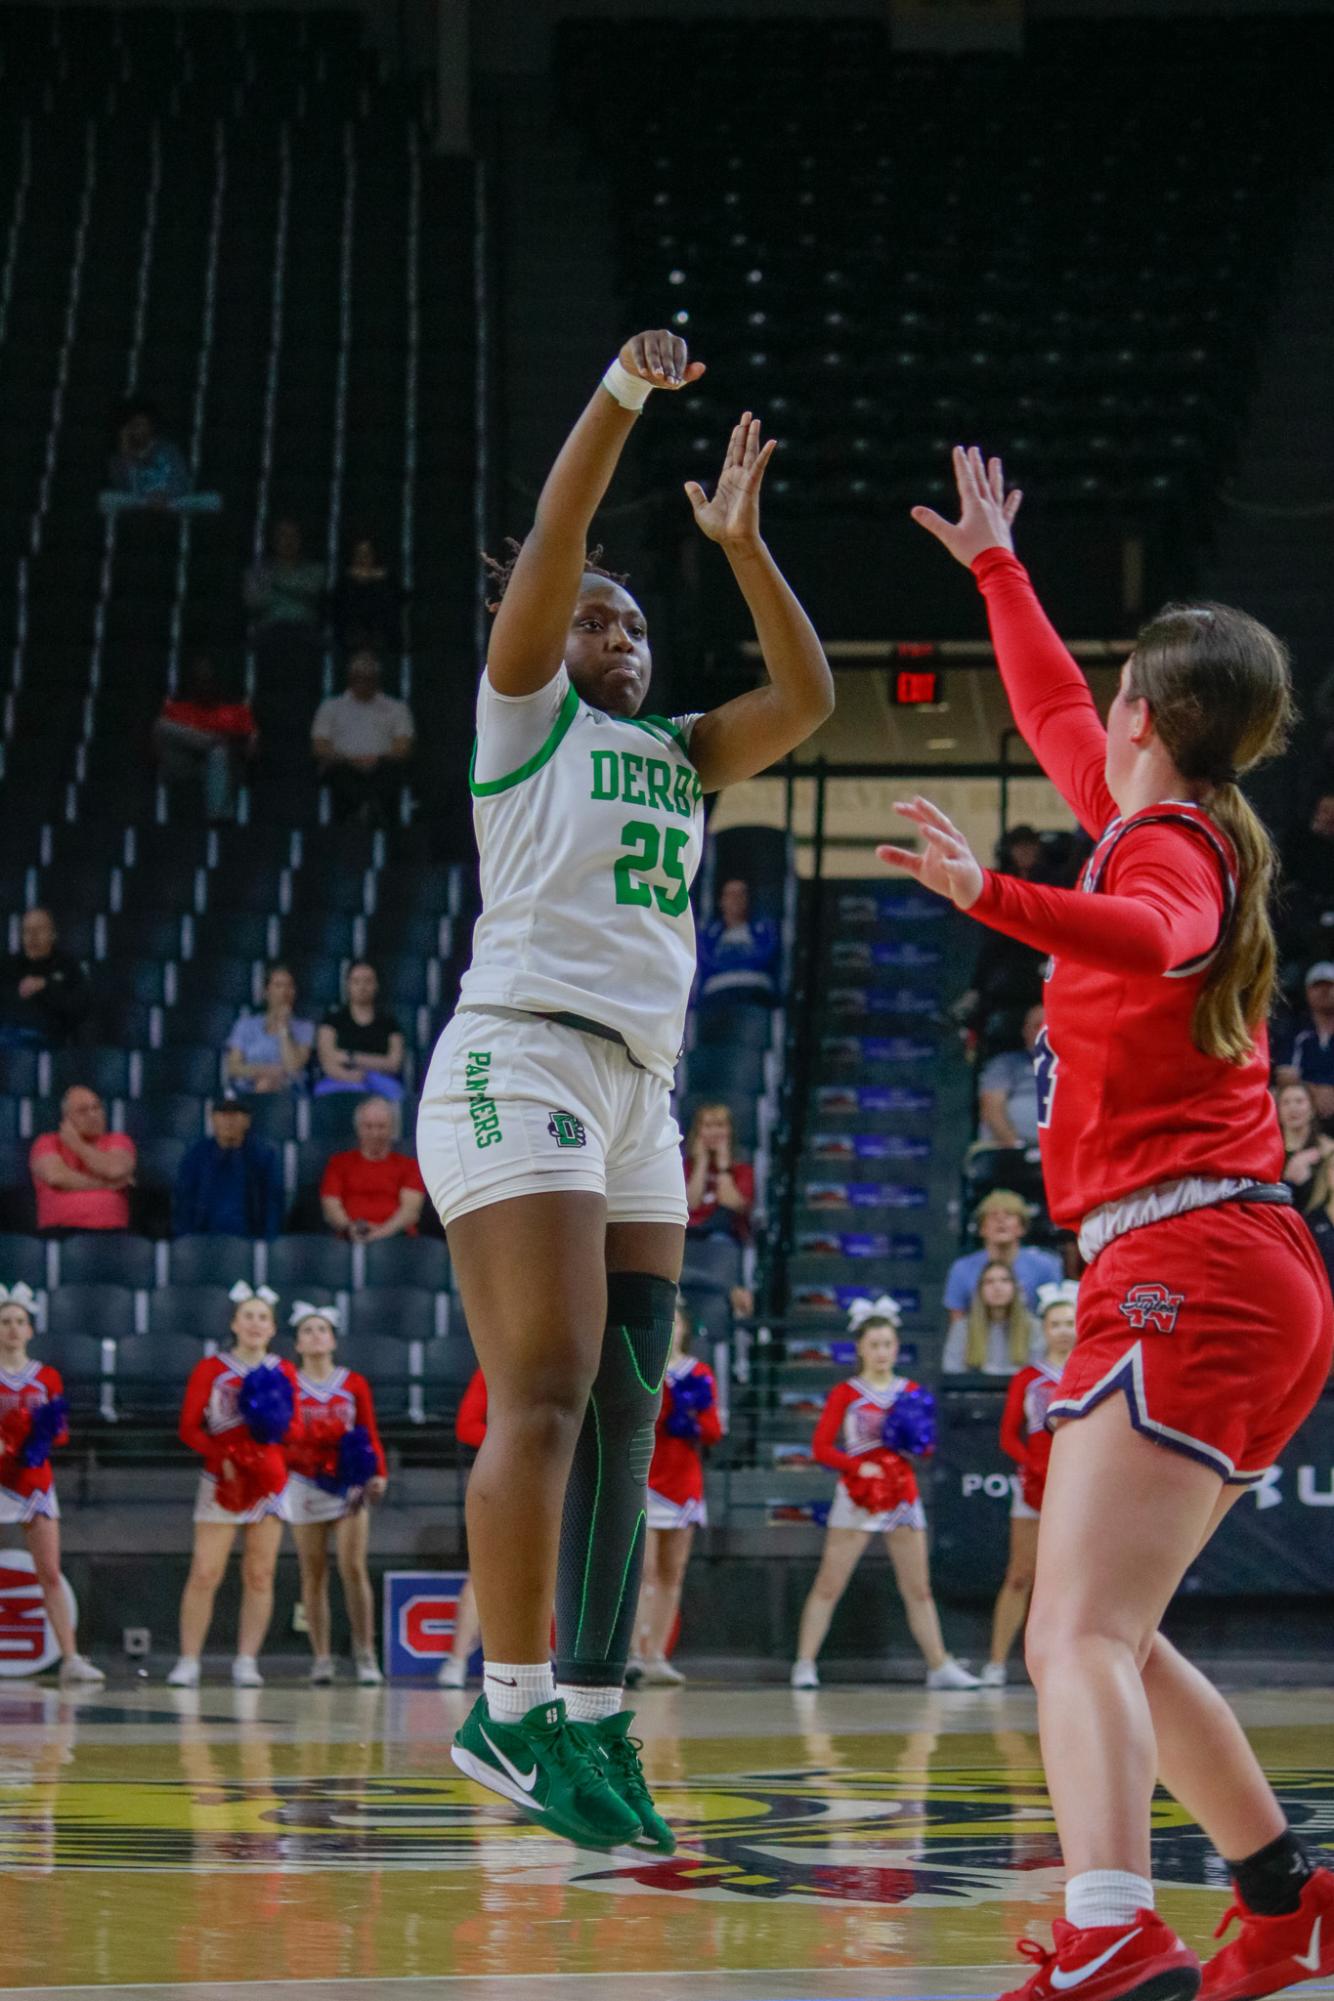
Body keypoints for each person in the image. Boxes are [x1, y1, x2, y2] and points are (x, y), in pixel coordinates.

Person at [878, 444, 1334, 2001]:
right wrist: (998, 570)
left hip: (1189, 1257)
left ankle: (1110, 1927)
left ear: (1155, 710)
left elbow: (1151, 938)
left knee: (1065, 1631)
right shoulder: (1149, 810)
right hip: (1220, 1259)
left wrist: (988, 899)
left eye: (1114, 689)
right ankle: (1278, 1901)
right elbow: (1052, 716)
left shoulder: (1176, 852)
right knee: (1113, 1635)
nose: (1095, 709)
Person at [415, 327, 832, 1851]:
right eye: (598, 619)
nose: (618, 635)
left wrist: (739, 547)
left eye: (634, 623)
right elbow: (556, 539)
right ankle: (505, 1701)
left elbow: (807, 696)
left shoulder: (678, 748)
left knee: (624, 1414)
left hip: (636, 1091)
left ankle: (593, 1714)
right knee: (541, 1387)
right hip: (517, 1053)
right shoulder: (524, 719)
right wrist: (619, 396)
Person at [790, 1299, 978, 1692]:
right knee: (829, 1582)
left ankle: (939, 1665)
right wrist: (859, 1467)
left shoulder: (910, 1391)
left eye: (887, 1344)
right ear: (860, 1347)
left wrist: (917, 1440)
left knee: (919, 1588)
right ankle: (804, 1663)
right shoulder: (846, 1393)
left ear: (897, 1347)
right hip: (858, 1494)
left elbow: (925, 1448)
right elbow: (822, 1448)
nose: (881, 1352)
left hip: (901, 1495)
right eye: (873, 1344)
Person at [168, 1282, 299, 1689]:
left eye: (263, 1318)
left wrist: (270, 1449)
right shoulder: (211, 1369)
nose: (255, 1324)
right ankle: (189, 1660)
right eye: (248, 1316)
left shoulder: (284, 1370)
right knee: (206, 1571)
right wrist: (222, 1456)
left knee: (259, 1574)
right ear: (234, 1324)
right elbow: (189, 1428)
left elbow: (294, 1428)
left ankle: (246, 1660)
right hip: (222, 1478)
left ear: (273, 1327)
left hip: (268, 1481)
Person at [0, 1282, 104, 1685]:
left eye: (19, 1322)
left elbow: (59, 1434)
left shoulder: (46, 1377)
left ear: (30, 1330)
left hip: (33, 1481)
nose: (12, 1329)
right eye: (5, 1322)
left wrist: (34, 1436)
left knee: (50, 1570)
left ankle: (71, 1657)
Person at [981, 1280, 1080, 1688]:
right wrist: (1032, 1464)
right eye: (1055, 1323)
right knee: (1020, 1574)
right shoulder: (1027, 1378)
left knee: (1075, 1582)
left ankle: (1069, 1668)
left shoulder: (1092, 1371)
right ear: (1043, 1329)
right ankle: (997, 1663)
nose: (1062, 1330)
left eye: (1069, 1322)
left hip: (1081, 1488)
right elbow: (1008, 1435)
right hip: (1036, 1487)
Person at [284, 1303, 387, 1687]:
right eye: (307, 1330)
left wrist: (378, 1472)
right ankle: (322, 1657)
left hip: (348, 1484)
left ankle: (365, 1653)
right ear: (297, 1342)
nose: (315, 1335)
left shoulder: (352, 1382)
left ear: (333, 1339)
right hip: (305, 1483)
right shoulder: (288, 1382)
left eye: (321, 1329)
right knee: (313, 1574)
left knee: (354, 1567)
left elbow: (368, 1429)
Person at [627, 1293, 722, 1688]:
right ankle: (631, 1654)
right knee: (640, 1572)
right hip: (644, 1479)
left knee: (671, 1573)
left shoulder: (699, 1373)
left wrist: (691, 1420)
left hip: (683, 1483)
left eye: (677, 1323)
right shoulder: (638, 1367)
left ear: (684, 1328)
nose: (671, 1330)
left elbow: (714, 1431)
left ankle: (657, 1656)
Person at [310, 651, 414, 826]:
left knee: (391, 773)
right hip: (343, 765)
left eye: (369, 678)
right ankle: (366, 811)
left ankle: (366, 812)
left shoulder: (397, 708)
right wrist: (350, 759)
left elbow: (403, 747)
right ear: (350, 678)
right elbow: (319, 747)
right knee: (339, 775)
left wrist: (376, 758)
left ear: (377, 679)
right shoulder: (331, 707)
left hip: (381, 765)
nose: (364, 683)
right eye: (359, 678)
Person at [154, 654, 257, 823]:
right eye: (199, 681)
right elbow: (158, 749)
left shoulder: (237, 711)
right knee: (162, 725)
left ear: (216, 683)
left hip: (224, 764)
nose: (204, 686)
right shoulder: (176, 710)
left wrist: (229, 744)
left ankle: (218, 819)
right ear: (192, 684)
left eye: (208, 680)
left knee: (218, 752)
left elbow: (252, 750)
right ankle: (211, 740)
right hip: (183, 764)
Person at [942, 1189, 1062, 1334]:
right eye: (993, 1216)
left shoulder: (1045, 1266)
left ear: (1022, 1228)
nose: (1001, 1221)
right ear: (981, 1228)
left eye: (1009, 1215)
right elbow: (957, 1325)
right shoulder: (961, 1269)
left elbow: (1058, 1316)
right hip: (979, 1349)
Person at [172, 1094, 285, 1240]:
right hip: (202, 1241)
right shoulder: (196, 1155)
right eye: (223, 1114)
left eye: (236, 1114)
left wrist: (265, 1246)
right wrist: (187, 1242)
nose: (229, 1120)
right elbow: (183, 1203)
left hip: (249, 1241)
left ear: (247, 1121)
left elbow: (273, 1205)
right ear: (212, 1118)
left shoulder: (264, 1156)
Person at [30, 1087, 137, 1234]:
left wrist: (78, 1145)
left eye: (97, 1107)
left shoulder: (119, 1140)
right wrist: (106, 1184)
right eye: (83, 1111)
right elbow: (57, 1177)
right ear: (66, 1119)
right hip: (60, 1231)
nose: (93, 1115)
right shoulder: (46, 1142)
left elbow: (114, 1169)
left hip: (112, 1233)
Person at [438, 1367, 487, 1689]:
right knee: (483, 1572)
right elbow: (466, 1426)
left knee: (554, 1574)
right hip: (499, 1475)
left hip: (558, 1477)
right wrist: (520, 1446)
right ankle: (456, 1659)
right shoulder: (493, 1368)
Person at [319, 1097, 424, 1241]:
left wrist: (379, 1235)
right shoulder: (338, 1163)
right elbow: (331, 1206)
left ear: (392, 1130)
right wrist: (350, 1228)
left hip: (398, 1241)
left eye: (381, 1127)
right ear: (358, 1129)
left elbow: (410, 1211)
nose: (375, 1133)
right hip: (349, 1239)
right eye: (368, 1126)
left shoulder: (409, 1166)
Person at [0, 908, 91, 1050]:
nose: (32, 936)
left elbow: (77, 1008)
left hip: (50, 1042)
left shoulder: (68, 966)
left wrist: (45, 985)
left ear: (53, 934)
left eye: (39, 929)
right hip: (9, 1040)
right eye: (27, 931)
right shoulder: (8, 965)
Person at [314, 962, 406, 1100]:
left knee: (398, 1095)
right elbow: (327, 1059)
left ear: (376, 985)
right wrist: (350, 1077)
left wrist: (351, 1057)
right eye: (356, 981)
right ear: (348, 985)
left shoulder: (389, 1023)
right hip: (338, 1078)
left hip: (380, 1081)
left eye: (368, 981)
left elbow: (394, 1063)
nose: (362, 987)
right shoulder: (332, 1019)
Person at [243, 517, 326, 671]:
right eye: (283, 536)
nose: (288, 541)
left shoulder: (315, 569)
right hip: (270, 630)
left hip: (303, 630)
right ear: (274, 540)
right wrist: (295, 590)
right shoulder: (258, 571)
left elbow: (313, 592)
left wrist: (274, 586)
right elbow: (254, 602)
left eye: (293, 536)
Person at [224, 964, 315, 1095]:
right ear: (266, 992)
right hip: (248, 1085)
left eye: (289, 986)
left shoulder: (305, 1028)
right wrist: (265, 1071)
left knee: (267, 1085)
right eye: (278, 985)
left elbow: (293, 1067)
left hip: (288, 1090)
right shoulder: (245, 1025)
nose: (284, 991)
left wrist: (284, 1028)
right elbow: (233, 1067)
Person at [942, 1258, 1042, 1377]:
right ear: (980, 1290)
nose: (997, 1287)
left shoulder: (1034, 1327)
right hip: (975, 1393)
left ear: (1016, 1288)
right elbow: (952, 1370)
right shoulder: (962, 1328)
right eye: (989, 1282)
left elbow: (1038, 1372)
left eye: (1004, 1280)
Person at [100, 398, 200, 512]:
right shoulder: (118, 459)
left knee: (213, 500)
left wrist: (165, 494)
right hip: (141, 502)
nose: (136, 430)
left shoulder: (168, 449)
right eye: (132, 426)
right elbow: (124, 488)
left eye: (140, 425)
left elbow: (181, 481)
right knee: (106, 498)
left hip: (170, 501)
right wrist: (126, 455)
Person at [695, 878, 779, 1006]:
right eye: (731, 895)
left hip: (754, 992)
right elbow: (705, 960)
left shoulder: (763, 929)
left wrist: (730, 963)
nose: (736, 899)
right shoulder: (709, 933)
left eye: (741, 894)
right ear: (721, 901)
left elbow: (766, 959)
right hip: (717, 993)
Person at [977, 1004, 1045, 1151]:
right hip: (1009, 1151)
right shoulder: (1004, 1064)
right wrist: (1016, 1146)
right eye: (1038, 1026)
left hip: (1059, 1154)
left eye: (1049, 1027)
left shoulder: (1072, 1067)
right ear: (1025, 1031)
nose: (1044, 1033)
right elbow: (991, 1109)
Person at [683, 1102, 754, 1243]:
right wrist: (701, 1164)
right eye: (708, 1126)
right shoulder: (684, 1167)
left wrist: (723, 1167)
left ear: (730, 1131)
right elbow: (689, 1205)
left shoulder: (743, 1171)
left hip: (724, 1237)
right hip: (688, 1233)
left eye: (720, 1125)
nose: (714, 1132)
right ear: (698, 1132)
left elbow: (731, 1203)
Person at [1274, 962, 1334, 1123]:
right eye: (1318, 986)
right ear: (1307, 992)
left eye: (1330, 986)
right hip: (1308, 1106)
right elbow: (1284, 1075)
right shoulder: (1296, 1030)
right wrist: (1314, 1092)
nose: (1325, 991)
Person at [329, 532, 406, 655]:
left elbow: (399, 599)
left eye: (366, 554)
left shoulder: (387, 578)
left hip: (381, 632)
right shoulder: (345, 579)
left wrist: (376, 580)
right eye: (358, 554)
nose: (362, 558)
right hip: (351, 632)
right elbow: (337, 604)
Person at [1273, 1082, 1333, 1206]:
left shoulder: (1328, 1150)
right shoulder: (1269, 1151)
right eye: (1286, 1102)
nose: (1292, 1108)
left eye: (1299, 1101)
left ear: (1312, 1109)